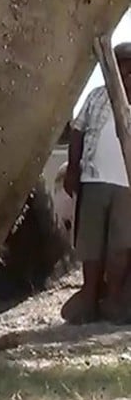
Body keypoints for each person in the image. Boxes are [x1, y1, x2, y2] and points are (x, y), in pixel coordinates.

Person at [63, 41, 131, 323]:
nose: (125, 73)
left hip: (127, 187)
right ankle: (89, 295)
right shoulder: (96, 97)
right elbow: (77, 132)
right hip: (94, 179)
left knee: (121, 243)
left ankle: (114, 297)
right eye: (120, 67)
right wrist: (72, 169)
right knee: (91, 242)